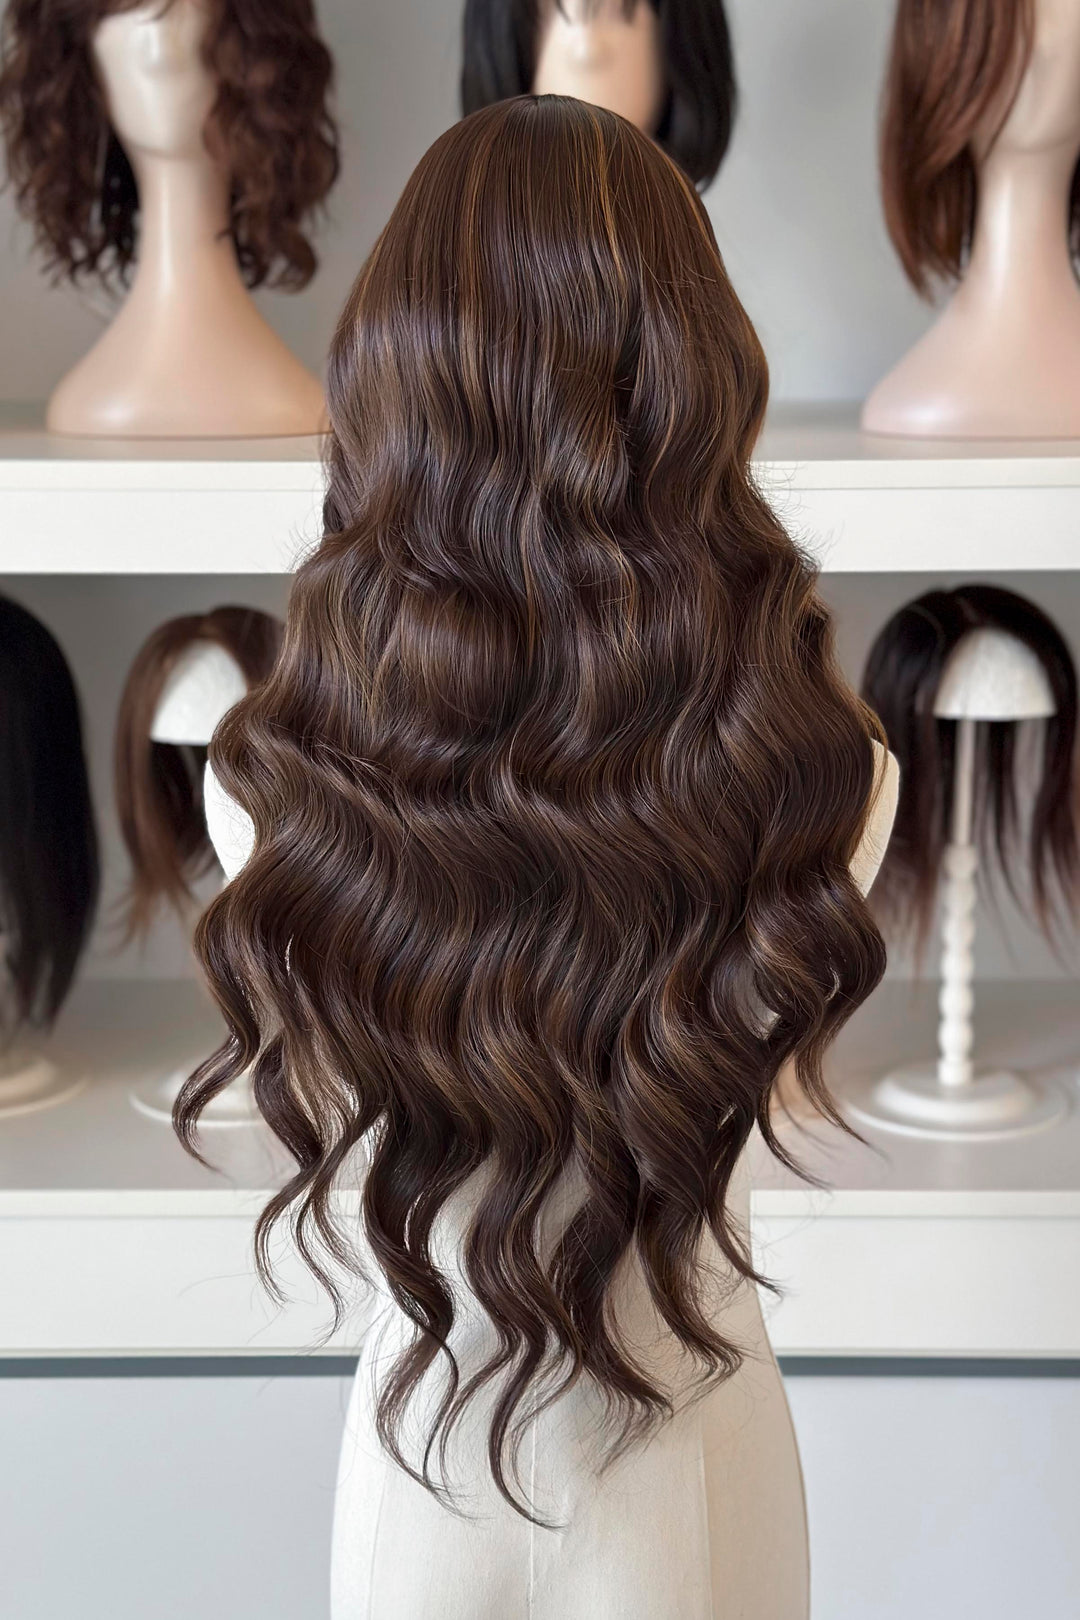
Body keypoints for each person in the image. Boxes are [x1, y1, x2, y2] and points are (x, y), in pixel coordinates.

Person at [182, 95, 896, 1620]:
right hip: (687, 1470)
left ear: (396, 375)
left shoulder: (271, 795)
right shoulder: (824, 777)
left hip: (420, 1477)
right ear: (694, 377)